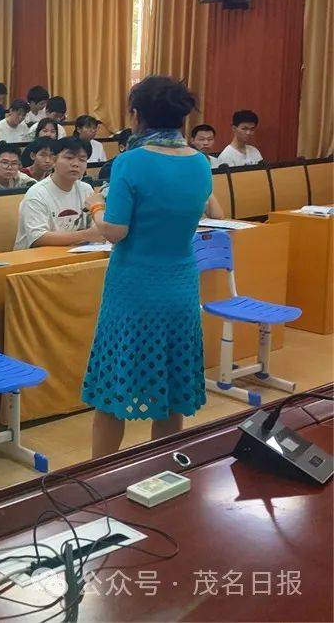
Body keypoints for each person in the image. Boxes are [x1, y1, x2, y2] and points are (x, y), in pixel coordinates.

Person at [81, 76, 212, 458]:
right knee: (170, 390)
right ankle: (164, 472)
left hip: (133, 289)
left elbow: (116, 231)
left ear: (137, 115)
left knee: (112, 389)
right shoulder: (201, 163)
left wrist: (94, 204)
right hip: (181, 287)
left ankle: (101, 480)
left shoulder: (130, 162)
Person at [14, 136, 102, 250]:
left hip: (74, 254)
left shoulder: (86, 189)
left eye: (82, 160)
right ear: (54, 161)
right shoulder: (37, 193)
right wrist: (86, 235)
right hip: (36, 259)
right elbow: (38, 238)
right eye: (69, 157)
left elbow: (96, 229)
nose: (76, 164)